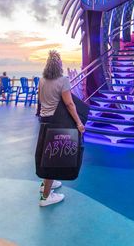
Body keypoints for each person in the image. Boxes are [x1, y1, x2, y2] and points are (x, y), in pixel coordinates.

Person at [38, 50, 85, 207]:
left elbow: (40, 100)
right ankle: (45, 197)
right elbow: (69, 104)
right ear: (60, 65)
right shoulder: (63, 80)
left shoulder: (42, 80)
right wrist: (79, 123)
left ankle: (46, 184)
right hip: (56, 121)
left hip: (43, 121)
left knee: (45, 154)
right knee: (53, 158)